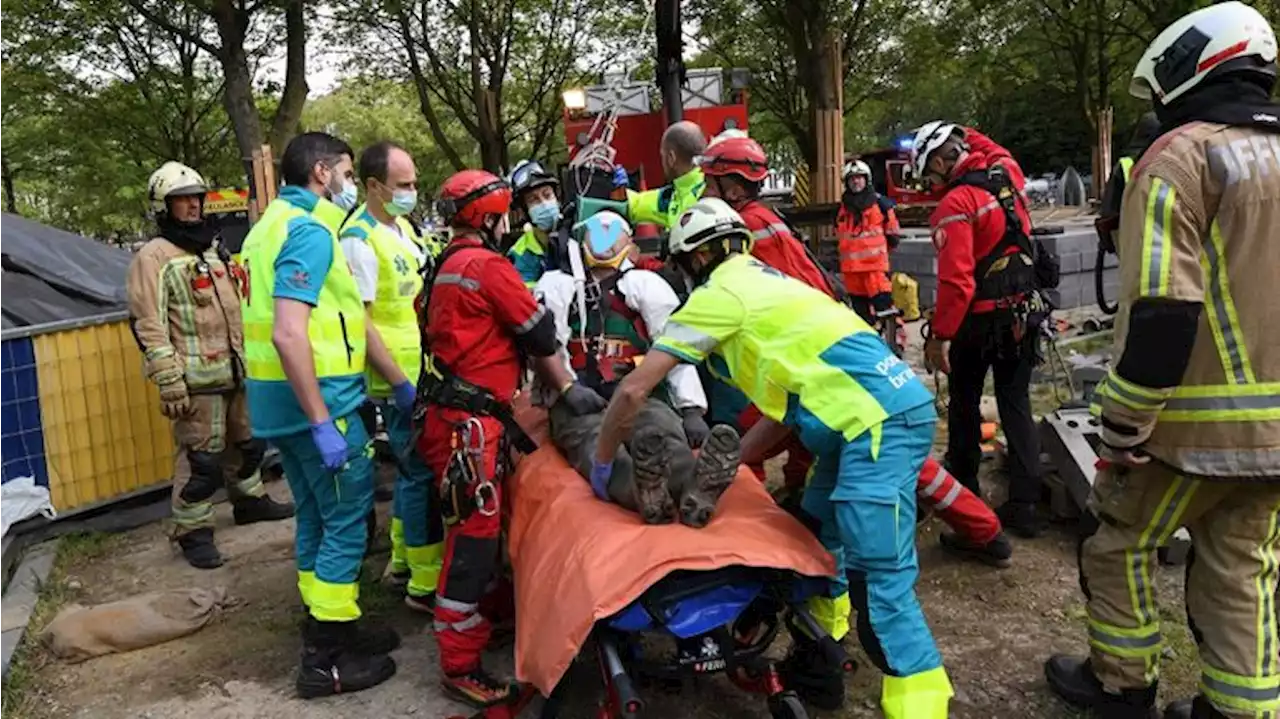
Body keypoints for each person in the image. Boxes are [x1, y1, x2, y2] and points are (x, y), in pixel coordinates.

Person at [593, 197, 953, 719]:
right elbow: (788, 411)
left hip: (872, 428)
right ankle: (821, 658)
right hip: (868, 422)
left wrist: (603, 466)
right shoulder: (779, 286)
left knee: (880, 583)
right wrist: (733, 459)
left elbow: (631, 394)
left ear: (693, 259)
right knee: (818, 533)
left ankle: (921, 703)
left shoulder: (720, 296)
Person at [1045, 4, 1280, 719]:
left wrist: (1122, 426)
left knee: (1119, 543)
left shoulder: (1181, 156)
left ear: (1193, 67)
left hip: (1187, 427)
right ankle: (1241, 708)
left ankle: (1121, 686)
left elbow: (1163, 311)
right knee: (1243, 565)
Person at [698, 135, 1011, 569]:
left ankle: (744, 542)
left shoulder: (744, 232)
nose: (702, 190)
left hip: (820, 353)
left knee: (747, 441)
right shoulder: (765, 219)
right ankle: (983, 530)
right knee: (855, 449)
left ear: (731, 186)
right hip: (835, 335)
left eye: (708, 182)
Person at [419, 169, 607, 707]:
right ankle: (459, 663)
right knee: (473, 544)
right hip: (470, 427)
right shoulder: (487, 267)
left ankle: (491, 616)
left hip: (454, 417)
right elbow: (541, 333)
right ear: (492, 216)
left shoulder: (445, 266)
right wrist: (567, 387)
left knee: (482, 530)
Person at [240, 132, 398, 698]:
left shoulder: (265, 228)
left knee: (314, 515)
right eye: (348, 174)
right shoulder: (309, 230)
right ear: (323, 172)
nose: (349, 185)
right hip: (318, 401)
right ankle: (326, 658)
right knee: (347, 520)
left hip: (274, 400)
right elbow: (288, 332)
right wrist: (321, 420)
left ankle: (331, 624)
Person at [127, 162, 294, 570]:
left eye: (196, 198)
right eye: (181, 199)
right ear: (162, 207)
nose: (192, 206)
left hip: (236, 370)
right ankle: (193, 531)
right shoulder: (154, 257)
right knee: (201, 460)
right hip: (195, 380)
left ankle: (250, 502)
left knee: (249, 443)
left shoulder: (212, 248)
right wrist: (169, 380)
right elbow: (147, 322)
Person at [534, 211, 740, 527]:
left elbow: (674, 345)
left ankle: (695, 484)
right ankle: (641, 491)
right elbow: (547, 345)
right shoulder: (558, 286)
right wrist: (567, 389)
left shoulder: (646, 286)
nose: (603, 238)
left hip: (643, 395)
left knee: (663, 434)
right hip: (582, 403)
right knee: (595, 445)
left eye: (612, 231)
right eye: (596, 231)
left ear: (631, 245)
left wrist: (691, 410)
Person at [911, 119, 1049, 538]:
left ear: (938, 160)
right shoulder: (1007, 174)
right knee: (1016, 405)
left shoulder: (956, 204)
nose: (930, 185)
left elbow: (957, 283)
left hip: (979, 322)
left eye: (929, 174)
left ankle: (964, 490)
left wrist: (939, 337)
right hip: (1025, 314)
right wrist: (961, 130)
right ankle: (1026, 505)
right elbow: (993, 147)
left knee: (965, 404)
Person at [338, 141, 444, 613]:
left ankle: (403, 560)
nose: (412, 192)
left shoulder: (400, 226)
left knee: (409, 470)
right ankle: (425, 584)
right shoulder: (358, 239)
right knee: (420, 472)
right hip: (395, 378)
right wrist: (399, 383)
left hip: (420, 368)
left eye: (414, 183)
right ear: (374, 186)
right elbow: (360, 322)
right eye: (403, 185)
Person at [836, 159, 902, 325]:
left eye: (859, 177)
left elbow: (893, 235)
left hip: (874, 270)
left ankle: (895, 344)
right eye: (852, 179)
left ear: (867, 179)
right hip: (852, 273)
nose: (856, 181)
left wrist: (881, 257)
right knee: (862, 320)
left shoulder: (881, 205)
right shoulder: (842, 210)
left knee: (886, 312)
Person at [1095, 112, 1161, 258]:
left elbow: (1109, 213)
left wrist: (1109, 242)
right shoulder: (1169, 161)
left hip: (1132, 243)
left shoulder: (1125, 165)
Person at [626, 120, 707, 229]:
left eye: (663, 156)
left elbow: (637, 205)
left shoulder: (688, 196)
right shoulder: (701, 187)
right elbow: (637, 202)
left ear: (671, 158)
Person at [505, 159, 563, 287]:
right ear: (524, 211)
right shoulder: (520, 254)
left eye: (547, 195)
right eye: (534, 200)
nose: (544, 203)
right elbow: (526, 299)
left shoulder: (578, 230)